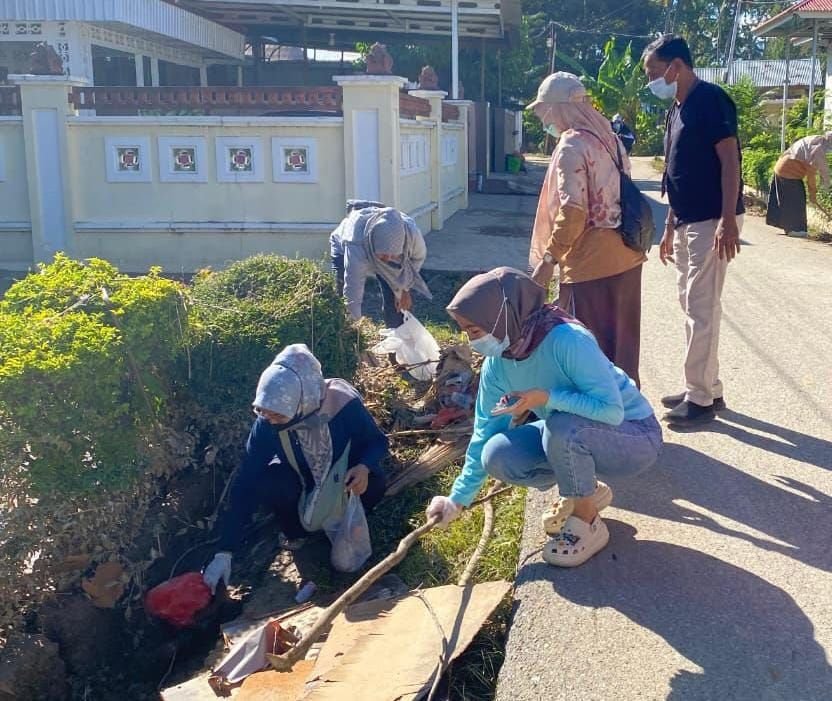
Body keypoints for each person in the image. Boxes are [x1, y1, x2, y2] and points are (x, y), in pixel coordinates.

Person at [425, 268, 662, 568]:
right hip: (574, 431)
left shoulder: (567, 340)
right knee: (496, 454)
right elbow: (485, 430)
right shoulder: (499, 364)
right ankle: (585, 491)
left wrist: (547, 397)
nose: (471, 341)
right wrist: (456, 500)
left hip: (635, 436)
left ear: (501, 316)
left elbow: (611, 411)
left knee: (562, 426)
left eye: (474, 330)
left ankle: (588, 522)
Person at [203, 344, 388, 592]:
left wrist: (364, 466)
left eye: (278, 416)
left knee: (376, 483)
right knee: (270, 482)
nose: (271, 420)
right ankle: (299, 531)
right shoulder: (267, 423)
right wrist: (224, 551)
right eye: (265, 413)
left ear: (302, 402)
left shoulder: (342, 404)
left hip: (344, 481)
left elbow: (377, 442)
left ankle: (346, 520)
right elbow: (247, 479)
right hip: (304, 483)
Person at [643, 35, 744, 428]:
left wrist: (728, 220)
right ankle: (707, 387)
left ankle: (699, 398)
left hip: (711, 220)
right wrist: (669, 224)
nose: (653, 80)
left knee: (700, 308)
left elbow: (730, 162)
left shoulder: (710, 100)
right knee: (695, 306)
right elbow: (675, 171)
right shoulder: (677, 109)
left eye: (655, 72)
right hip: (687, 220)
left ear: (677, 66)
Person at [528, 72, 646, 386]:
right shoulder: (611, 138)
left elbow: (573, 211)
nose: (545, 119)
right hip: (628, 255)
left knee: (589, 355)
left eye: (544, 111)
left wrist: (549, 259)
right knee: (623, 348)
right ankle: (632, 423)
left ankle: (598, 428)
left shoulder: (572, 145)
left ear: (560, 107)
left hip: (591, 265)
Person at [330, 202, 431, 327]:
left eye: (393, 255)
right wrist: (354, 328)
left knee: (397, 302)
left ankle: (398, 335)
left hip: (377, 249)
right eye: (383, 255)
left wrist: (404, 288)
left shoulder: (412, 235)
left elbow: (417, 259)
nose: (387, 259)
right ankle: (340, 332)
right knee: (342, 299)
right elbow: (352, 291)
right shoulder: (356, 244)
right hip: (344, 248)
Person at [766, 133, 832, 237]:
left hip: (785, 168)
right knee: (795, 199)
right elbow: (811, 176)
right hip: (788, 170)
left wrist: (814, 192)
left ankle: (792, 228)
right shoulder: (818, 150)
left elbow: (823, 172)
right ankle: (795, 229)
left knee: (793, 198)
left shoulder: (818, 140)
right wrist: (813, 193)